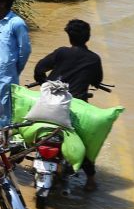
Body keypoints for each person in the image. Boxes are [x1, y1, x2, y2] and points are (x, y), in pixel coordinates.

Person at [34, 19, 105, 191]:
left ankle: (14, 159)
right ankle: (91, 179)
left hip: (50, 101)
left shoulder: (61, 53)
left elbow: (40, 68)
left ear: (69, 36)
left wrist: (42, 81)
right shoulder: (94, 59)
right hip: (76, 105)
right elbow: (97, 80)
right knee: (84, 138)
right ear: (87, 37)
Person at [0, 0, 31, 127]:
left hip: (6, 75)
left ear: (2, 4)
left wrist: (14, 69)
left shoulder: (16, 23)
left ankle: (3, 141)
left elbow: (25, 49)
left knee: (4, 110)